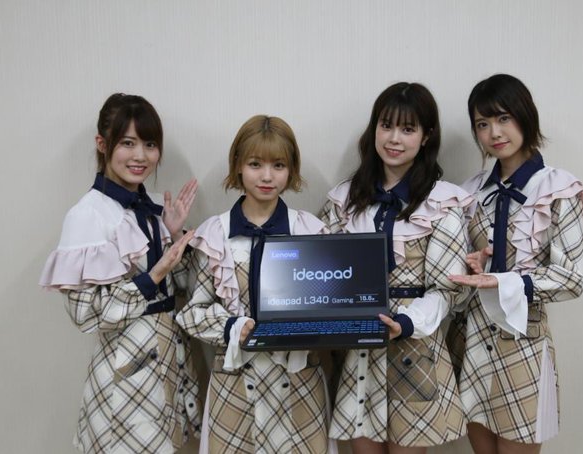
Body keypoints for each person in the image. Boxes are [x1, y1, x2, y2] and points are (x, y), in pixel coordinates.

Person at [39, 93, 202, 453]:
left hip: (170, 364)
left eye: (149, 144)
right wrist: (152, 276)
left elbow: (186, 288)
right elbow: (86, 314)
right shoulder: (88, 215)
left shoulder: (157, 206)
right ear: (102, 143)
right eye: (128, 143)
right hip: (124, 372)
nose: (140, 156)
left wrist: (173, 232)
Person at [320, 82, 471, 454]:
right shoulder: (343, 199)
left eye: (408, 129)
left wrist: (405, 322)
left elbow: (448, 289)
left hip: (414, 344)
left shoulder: (442, 202)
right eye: (386, 126)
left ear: (426, 136)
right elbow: (320, 270)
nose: (394, 139)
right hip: (358, 348)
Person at [448, 74, 583, 454]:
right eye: (482, 124)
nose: (494, 133)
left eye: (503, 118)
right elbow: (457, 267)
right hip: (471, 338)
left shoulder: (559, 189)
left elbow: (571, 279)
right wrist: (471, 264)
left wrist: (507, 282)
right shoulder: (470, 191)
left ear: (525, 116)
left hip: (524, 342)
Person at [176, 115, 331, 453]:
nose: (267, 176)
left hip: (299, 383)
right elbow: (193, 312)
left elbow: (330, 306)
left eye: (278, 165)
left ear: (291, 169)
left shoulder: (309, 229)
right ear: (238, 165)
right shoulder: (214, 234)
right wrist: (233, 327)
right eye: (255, 164)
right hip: (234, 384)